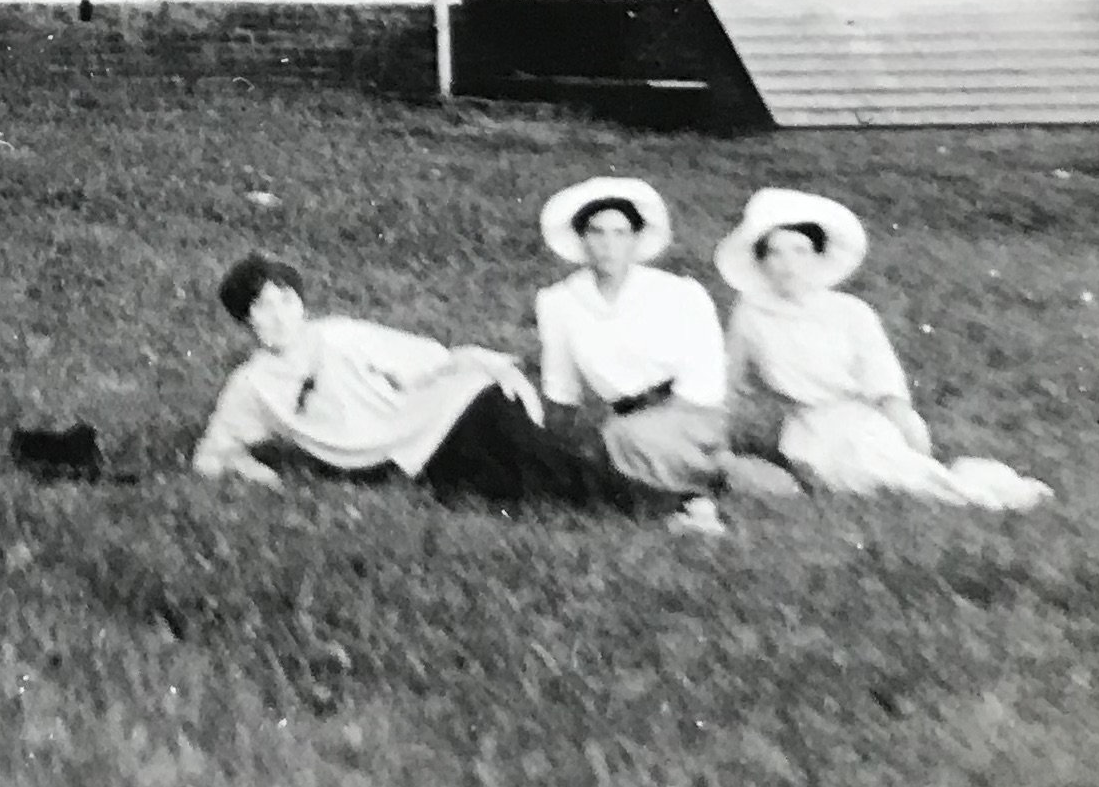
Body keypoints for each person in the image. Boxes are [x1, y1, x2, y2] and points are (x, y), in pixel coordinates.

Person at [191, 253, 718, 528]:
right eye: (261, 307)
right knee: (512, 489)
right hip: (411, 454)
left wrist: (488, 368)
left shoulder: (338, 336)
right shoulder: (250, 387)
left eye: (285, 301)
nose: (278, 316)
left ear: (301, 304)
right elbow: (212, 456)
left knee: (540, 464)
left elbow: (431, 362)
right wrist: (250, 469)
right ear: (245, 320)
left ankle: (676, 507)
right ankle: (672, 495)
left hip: (453, 408)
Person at [715, 188, 1052, 512]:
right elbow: (731, 384)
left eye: (800, 251)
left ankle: (981, 492)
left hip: (864, 419)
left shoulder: (851, 312)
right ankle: (974, 491)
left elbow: (882, 378)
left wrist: (906, 425)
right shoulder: (751, 314)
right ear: (761, 262)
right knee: (857, 479)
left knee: (886, 471)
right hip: (808, 431)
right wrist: (715, 439)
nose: (787, 263)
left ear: (818, 258)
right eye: (775, 252)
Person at [532, 177, 735, 525]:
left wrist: (661, 421)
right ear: (581, 239)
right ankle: (698, 487)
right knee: (586, 459)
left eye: (620, 233)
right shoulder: (559, 301)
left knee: (621, 441)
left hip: (690, 415)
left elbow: (707, 376)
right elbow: (561, 387)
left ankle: (692, 498)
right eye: (597, 233)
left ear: (636, 239)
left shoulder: (679, 293)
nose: (608, 245)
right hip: (625, 421)